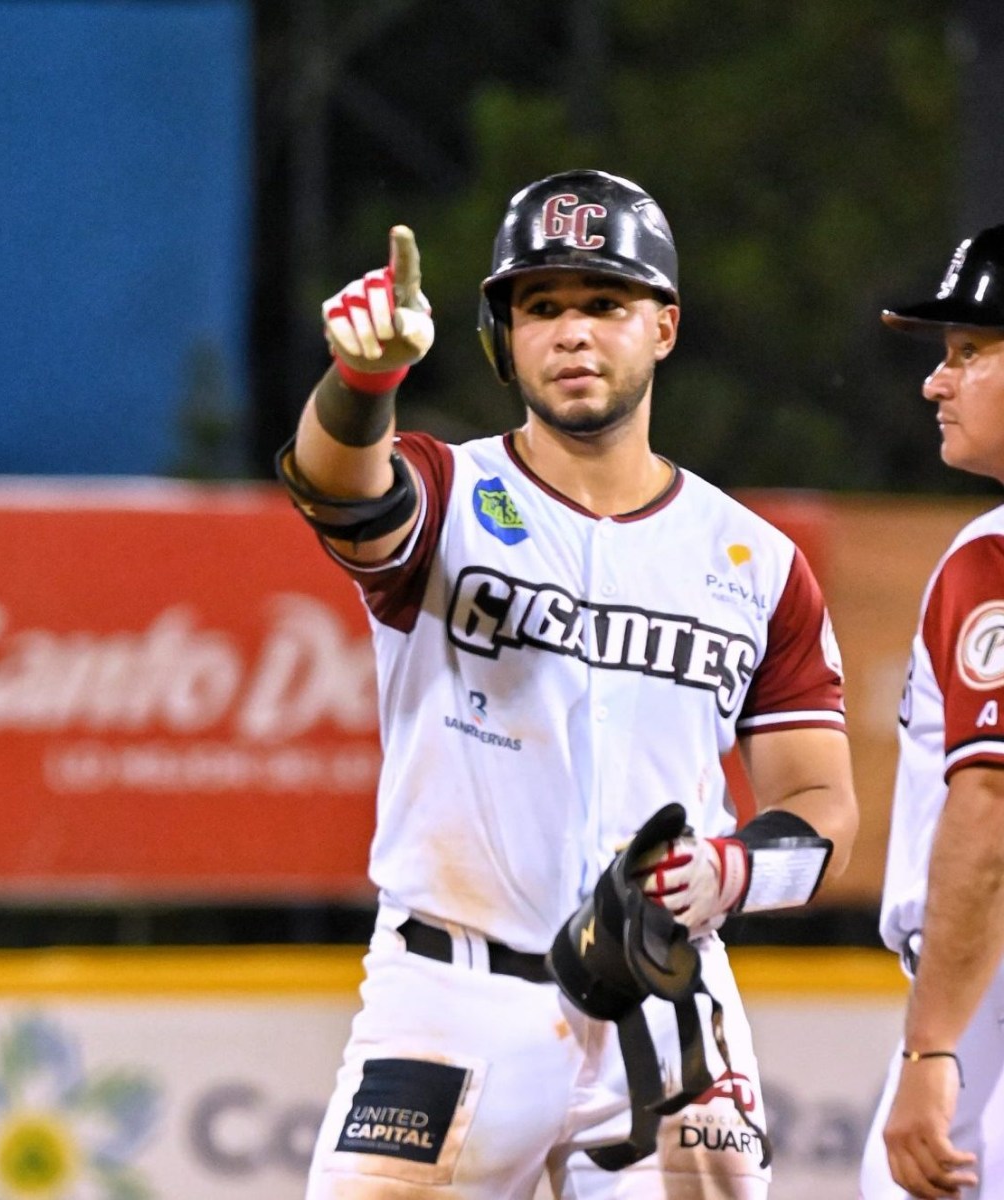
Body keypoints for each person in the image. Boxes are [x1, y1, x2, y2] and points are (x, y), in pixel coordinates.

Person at [277, 169, 858, 1199]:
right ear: (505, 339)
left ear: (664, 326)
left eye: (605, 302)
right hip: (451, 999)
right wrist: (362, 383)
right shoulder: (451, 491)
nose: (573, 332)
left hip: (670, 1004)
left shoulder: (756, 562)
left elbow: (824, 813)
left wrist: (730, 871)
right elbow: (339, 486)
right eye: (541, 307)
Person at [859, 224, 1004, 1200]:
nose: (934, 382)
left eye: (969, 354)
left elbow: (991, 808)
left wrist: (932, 1050)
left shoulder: (992, 556)